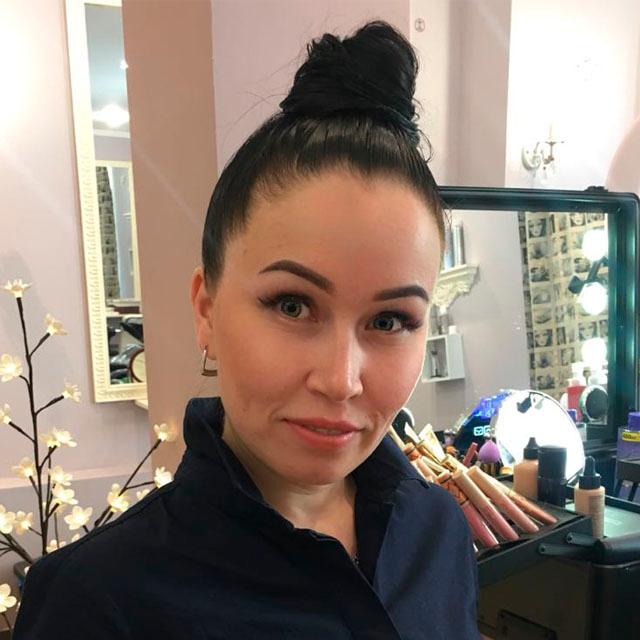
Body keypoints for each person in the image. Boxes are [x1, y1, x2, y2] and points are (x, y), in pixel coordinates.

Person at [13, 20, 480, 639]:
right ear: (206, 308)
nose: (341, 380)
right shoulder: (97, 601)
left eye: (389, 320)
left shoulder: (437, 531)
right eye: (293, 305)